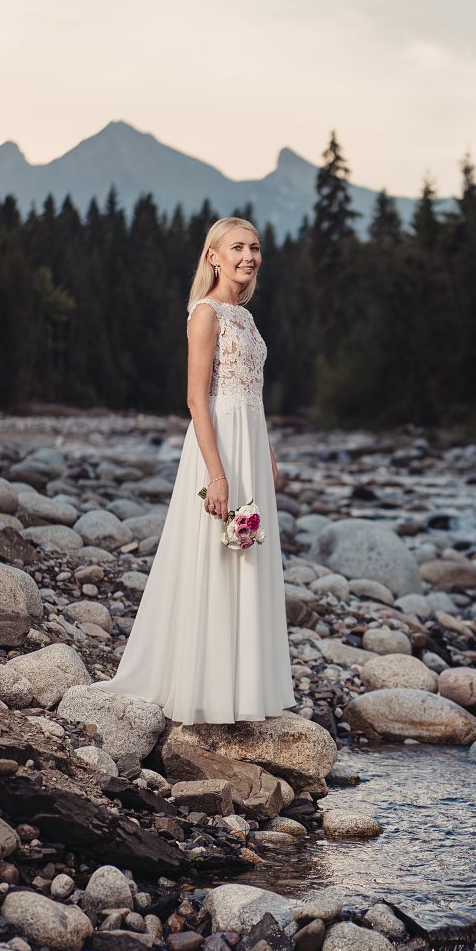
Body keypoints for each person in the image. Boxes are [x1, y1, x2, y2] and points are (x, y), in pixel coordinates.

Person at [88, 216, 296, 724]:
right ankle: (203, 688)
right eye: (237, 248)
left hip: (249, 443)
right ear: (214, 257)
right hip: (218, 445)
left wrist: (267, 456)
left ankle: (244, 690)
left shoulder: (246, 317)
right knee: (212, 557)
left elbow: (254, 396)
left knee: (245, 557)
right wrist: (218, 475)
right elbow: (195, 398)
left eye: (255, 247)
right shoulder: (206, 313)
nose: (249, 256)